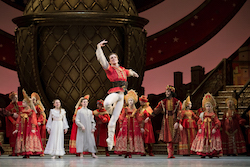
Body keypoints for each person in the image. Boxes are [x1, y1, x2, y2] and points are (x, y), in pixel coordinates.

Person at [95, 40, 139, 150]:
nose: (113, 59)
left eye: (115, 57)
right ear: (110, 61)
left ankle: (110, 140)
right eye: (111, 58)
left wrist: (134, 73)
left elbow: (129, 72)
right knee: (107, 102)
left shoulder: (122, 69)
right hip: (115, 93)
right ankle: (110, 110)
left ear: (117, 59)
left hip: (122, 96)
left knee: (113, 120)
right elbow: (102, 60)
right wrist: (99, 48)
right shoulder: (110, 69)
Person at [151, 85, 181, 158]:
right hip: (166, 120)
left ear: (172, 92)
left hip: (173, 119)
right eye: (166, 91)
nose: (166, 93)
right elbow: (157, 110)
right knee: (168, 137)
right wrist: (149, 116)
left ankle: (171, 153)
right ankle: (170, 153)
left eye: (168, 91)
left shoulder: (177, 102)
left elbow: (180, 112)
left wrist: (177, 121)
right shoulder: (163, 102)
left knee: (173, 136)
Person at [13, 89, 43, 158]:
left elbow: (33, 120)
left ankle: (28, 152)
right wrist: (17, 129)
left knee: (28, 138)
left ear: (27, 103)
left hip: (28, 127)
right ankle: (24, 152)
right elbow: (18, 120)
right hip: (22, 127)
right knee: (23, 138)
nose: (22, 104)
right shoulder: (22, 111)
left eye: (24, 103)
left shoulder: (31, 111)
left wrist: (33, 128)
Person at [114, 90, 145, 158]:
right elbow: (121, 117)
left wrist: (141, 126)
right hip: (126, 124)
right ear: (128, 101)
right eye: (129, 100)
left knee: (132, 137)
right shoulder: (125, 109)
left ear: (134, 101)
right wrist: (121, 126)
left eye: (132, 100)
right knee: (126, 137)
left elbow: (139, 118)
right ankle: (126, 152)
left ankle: (130, 151)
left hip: (134, 125)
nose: (131, 102)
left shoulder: (136, 110)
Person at [191, 93, 222, 158]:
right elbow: (199, 122)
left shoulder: (213, 114)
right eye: (207, 106)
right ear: (205, 107)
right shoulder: (203, 114)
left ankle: (211, 152)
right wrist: (199, 128)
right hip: (203, 130)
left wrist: (215, 128)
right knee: (204, 140)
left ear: (211, 107)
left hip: (211, 129)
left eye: (209, 106)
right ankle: (203, 153)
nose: (208, 108)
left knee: (211, 140)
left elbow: (217, 122)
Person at [5, 91, 23, 156]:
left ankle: (20, 151)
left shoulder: (20, 104)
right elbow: (8, 115)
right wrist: (13, 121)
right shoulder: (9, 107)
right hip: (14, 124)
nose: (16, 98)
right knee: (14, 137)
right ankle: (14, 151)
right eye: (15, 97)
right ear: (12, 98)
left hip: (20, 122)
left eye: (17, 97)